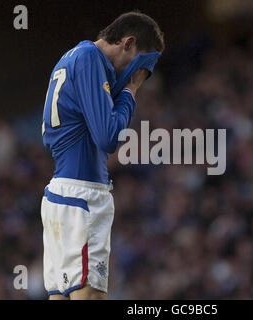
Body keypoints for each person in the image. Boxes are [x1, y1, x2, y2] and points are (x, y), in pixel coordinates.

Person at [40, 11, 164, 300]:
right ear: (128, 43)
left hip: (62, 195)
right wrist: (131, 91)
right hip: (83, 197)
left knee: (62, 296)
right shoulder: (90, 60)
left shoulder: (73, 58)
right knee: (91, 295)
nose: (138, 76)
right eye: (141, 66)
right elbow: (108, 137)